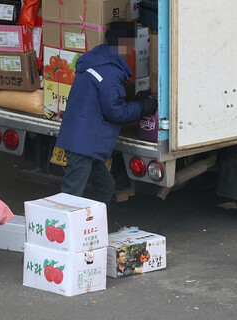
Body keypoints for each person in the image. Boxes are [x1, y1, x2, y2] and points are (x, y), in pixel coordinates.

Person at [51, 21, 157, 205]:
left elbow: (106, 101)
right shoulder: (108, 71)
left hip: (84, 141)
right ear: (124, 44)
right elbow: (115, 111)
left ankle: (91, 227)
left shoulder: (97, 60)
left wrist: (136, 101)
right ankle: (65, 230)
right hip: (83, 144)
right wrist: (141, 107)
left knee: (105, 187)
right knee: (71, 194)